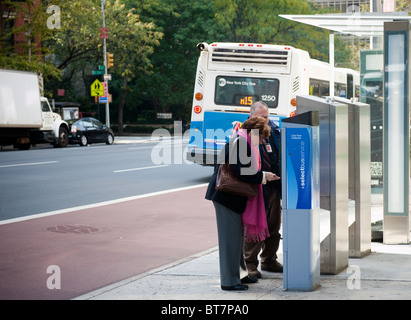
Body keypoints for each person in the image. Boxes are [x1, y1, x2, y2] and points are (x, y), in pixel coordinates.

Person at [205, 116, 278, 291]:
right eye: (261, 137)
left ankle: (240, 276)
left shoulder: (241, 140)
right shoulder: (241, 143)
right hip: (226, 198)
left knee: (236, 240)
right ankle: (229, 282)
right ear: (254, 132)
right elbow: (241, 172)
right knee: (230, 242)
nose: (261, 141)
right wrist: (263, 176)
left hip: (230, 197)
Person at [244, 101, 283, 278]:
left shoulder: (275, 131)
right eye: (259, 117)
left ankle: (269, 260)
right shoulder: (245, 134)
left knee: (273, 227)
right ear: (251, 116)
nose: (263, 120)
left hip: (273, 186)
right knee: (255, 227)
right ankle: (249, 264)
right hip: (256, 188)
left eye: (266, 117)